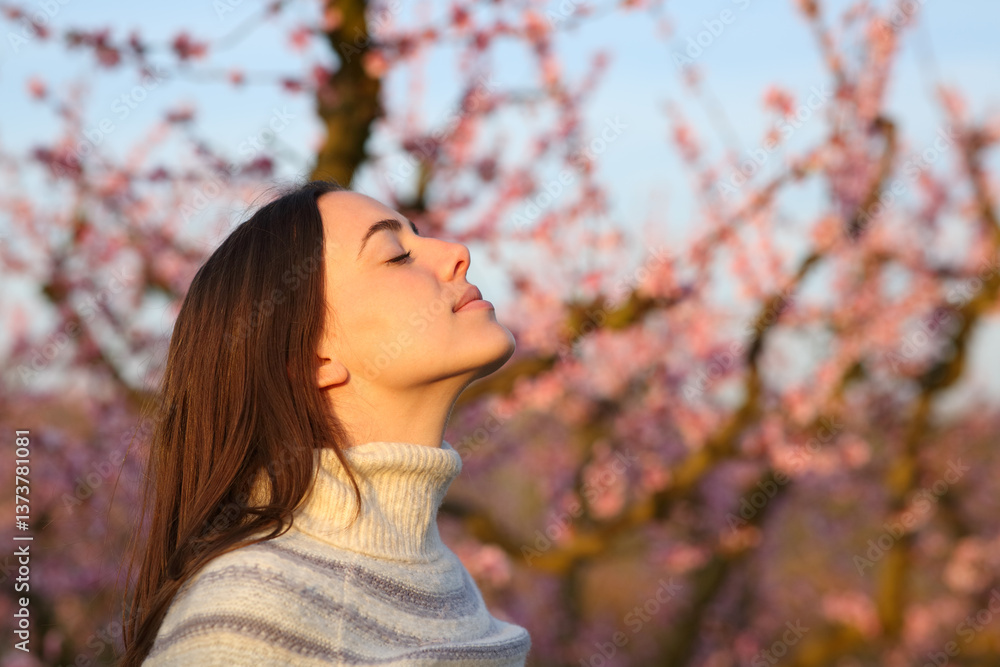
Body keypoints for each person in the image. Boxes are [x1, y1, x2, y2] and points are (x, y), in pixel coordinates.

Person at [120, 180, 531, 665]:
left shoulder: (453, 586)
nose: (457, 252)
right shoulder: (249, 614)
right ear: (311, 358)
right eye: (397, 255)